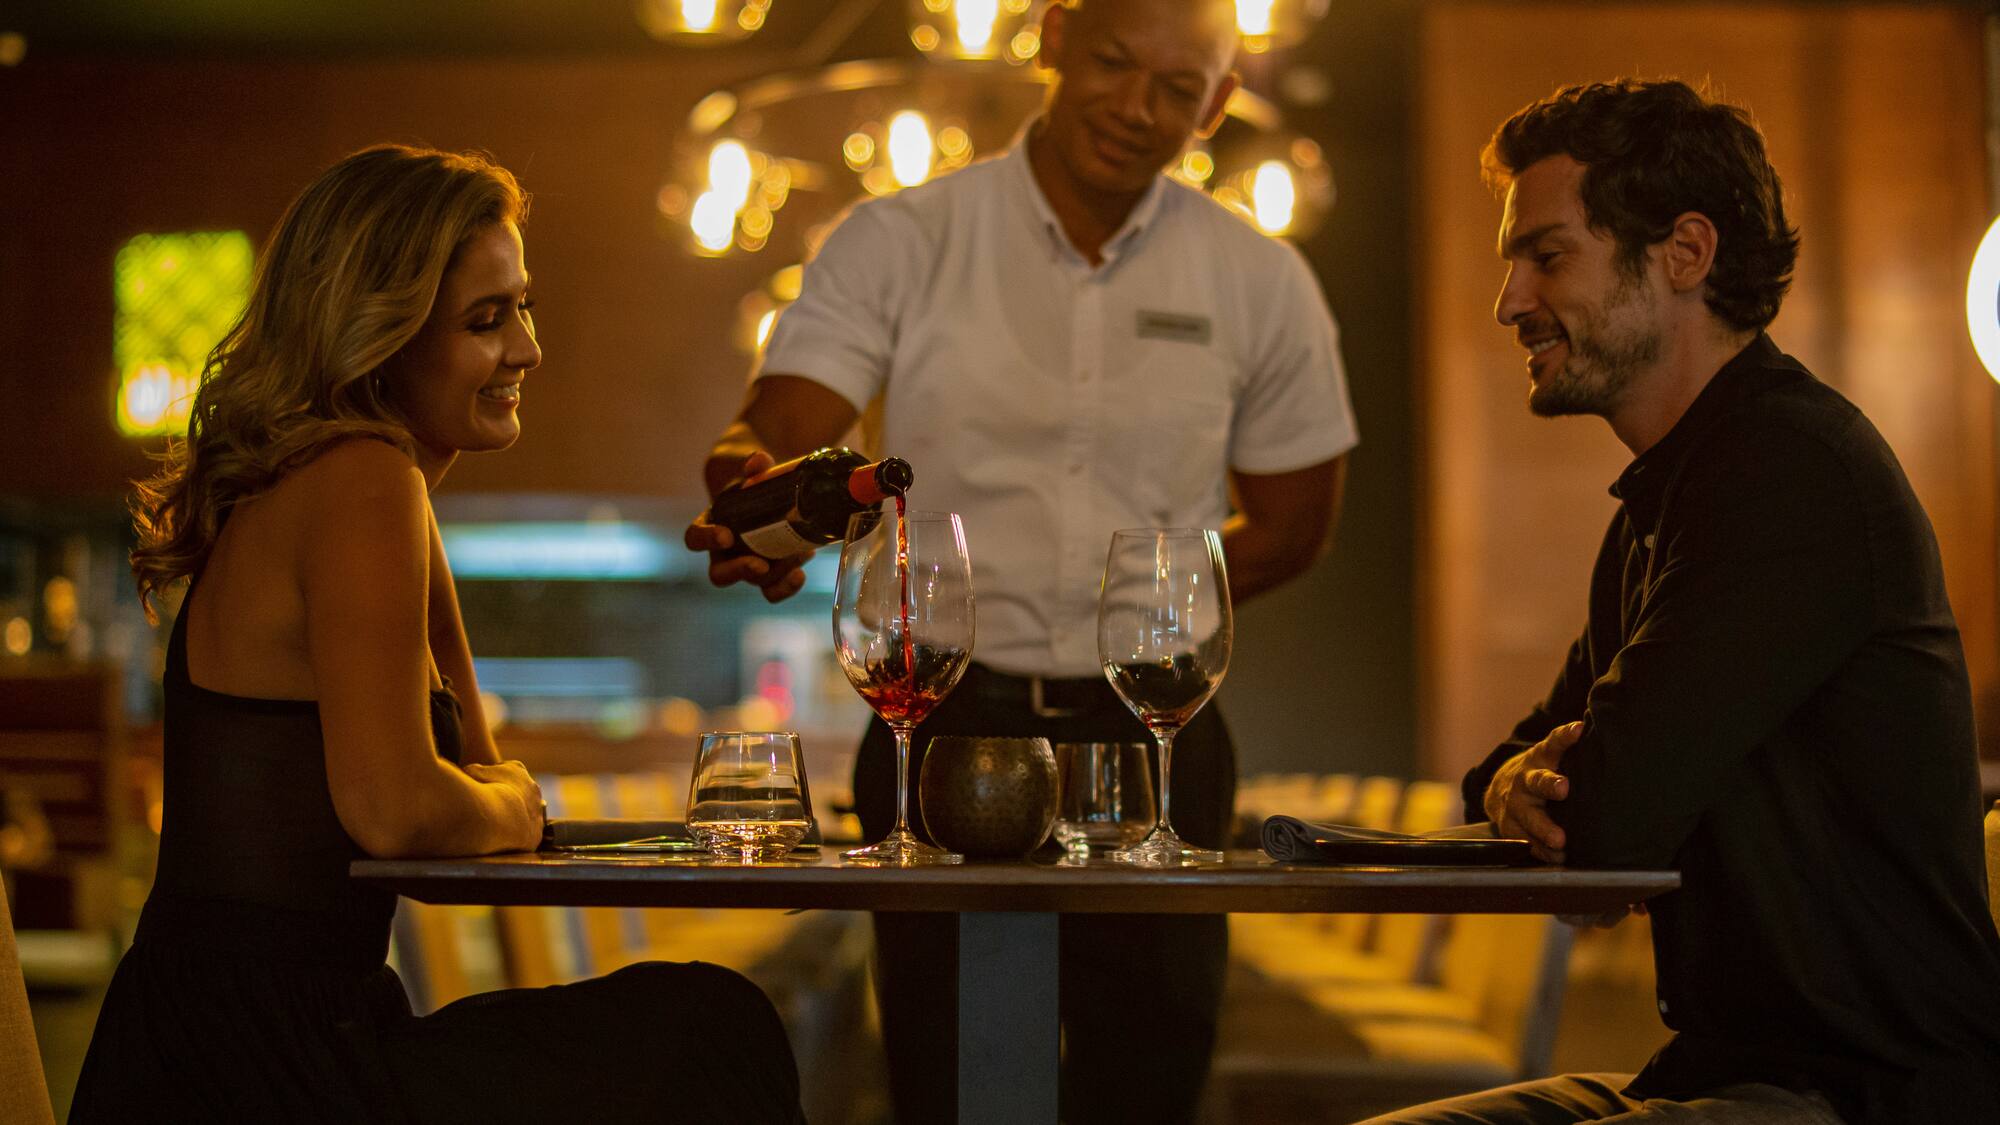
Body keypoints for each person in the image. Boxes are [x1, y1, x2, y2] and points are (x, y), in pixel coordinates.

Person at [684, 0, 1357, 1118]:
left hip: (1154, 739)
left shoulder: (1257, 277)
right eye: (1109, 62)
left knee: (1145, 1083)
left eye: (1177, 89)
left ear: (1219, 104)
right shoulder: (901, 236)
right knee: (956, 1084)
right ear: (1049, 37)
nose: (1136, 108)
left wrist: (1152, 622)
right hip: (942, 724)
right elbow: (772, 434)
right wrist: (753, 494)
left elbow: (1294, 524)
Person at [70, 144, 805, 1124]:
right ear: (380, 333)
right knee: (709, 1029)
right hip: (259, 1065)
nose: (528, 350)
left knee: (695, 1026)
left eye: (523, 307)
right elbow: (404, 810)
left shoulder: (373, 484)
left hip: (234, 1042)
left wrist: (498, 798)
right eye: (484, 320)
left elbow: (472, 775)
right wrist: (513, 803)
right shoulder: (359, 476)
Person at [1360, 79, 2000, 1125]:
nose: (1508, 301)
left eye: (1547, 255)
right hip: (1717, 1074)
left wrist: (1562, 779)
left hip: (1868, 1091)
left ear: (1684, 254)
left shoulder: (1789, 472)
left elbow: (1604, 815)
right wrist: (1528, 776)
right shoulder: (1664, 505)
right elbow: (1498, 777)